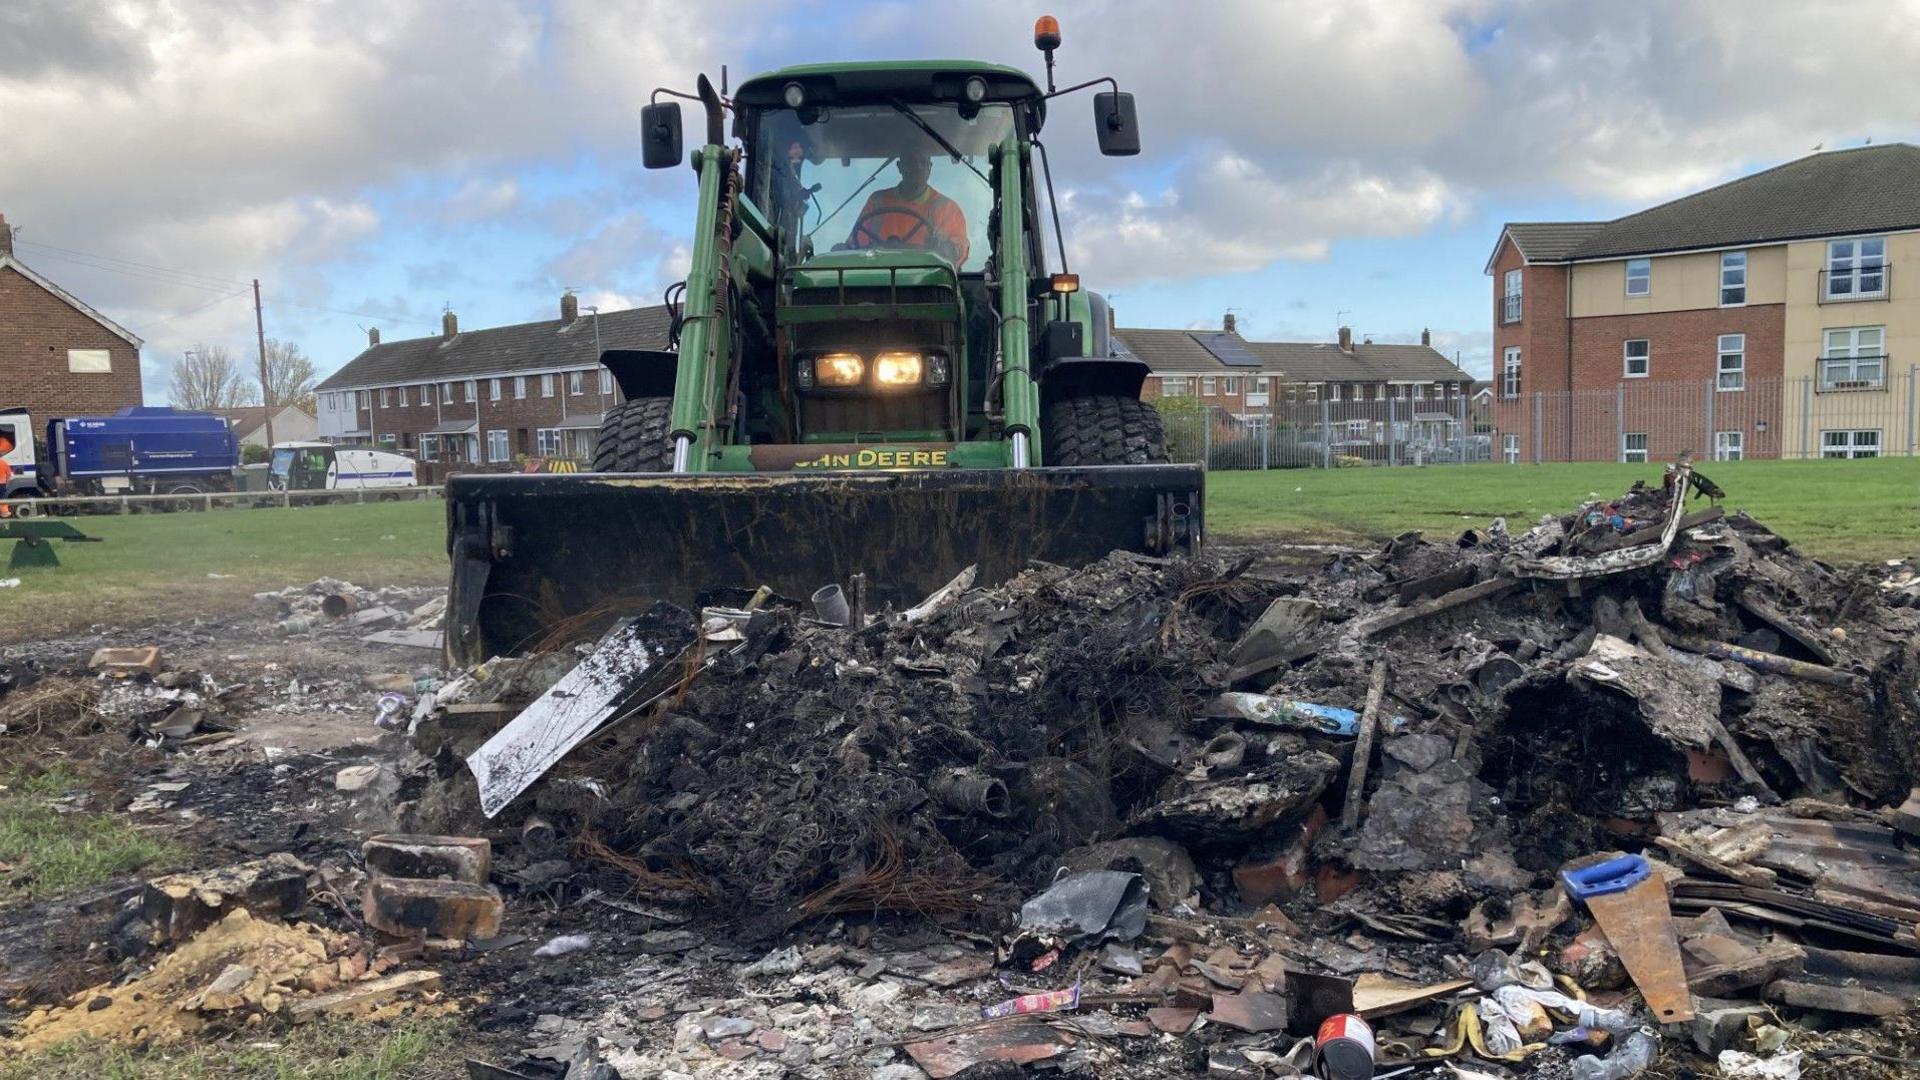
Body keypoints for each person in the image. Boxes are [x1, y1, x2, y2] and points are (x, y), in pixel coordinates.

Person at [846, 153, 969, 264]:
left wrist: (948, 248)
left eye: (923, 163)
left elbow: (960, 248)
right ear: (900, 166)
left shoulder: (947, 209)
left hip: (929, 282)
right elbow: (855, 244)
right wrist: (845, 249)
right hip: (878, 279)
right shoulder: (877, 201)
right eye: (911, 162)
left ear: (930, 167)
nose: (918, 167)